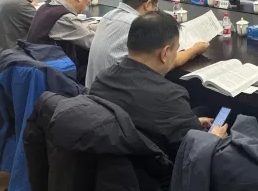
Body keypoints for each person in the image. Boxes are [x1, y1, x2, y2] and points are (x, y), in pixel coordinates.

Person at [89, 11, 227, 161]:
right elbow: (194, 154)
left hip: (115, 163)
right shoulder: (170, 96)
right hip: (158, 169)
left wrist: (187, 122)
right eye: (176, 50)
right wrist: (214, 138)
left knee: (202, 111)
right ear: (165, 53)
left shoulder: (102, 79)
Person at [85, 0, 208, 87]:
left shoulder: (108, 15)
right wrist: (195, 49)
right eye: (156, 7)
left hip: (95, 91)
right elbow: (165, 61)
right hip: (117, 97)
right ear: (148, 5)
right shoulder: (138, 25)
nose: (156, 11)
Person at [26, 0, 97, 69]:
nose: (87, 4)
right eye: (88, 0)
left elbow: (78, 27)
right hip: (54, 72)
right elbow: (93, 43)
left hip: (37, 62)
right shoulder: (64, 17)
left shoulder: (46, 7)